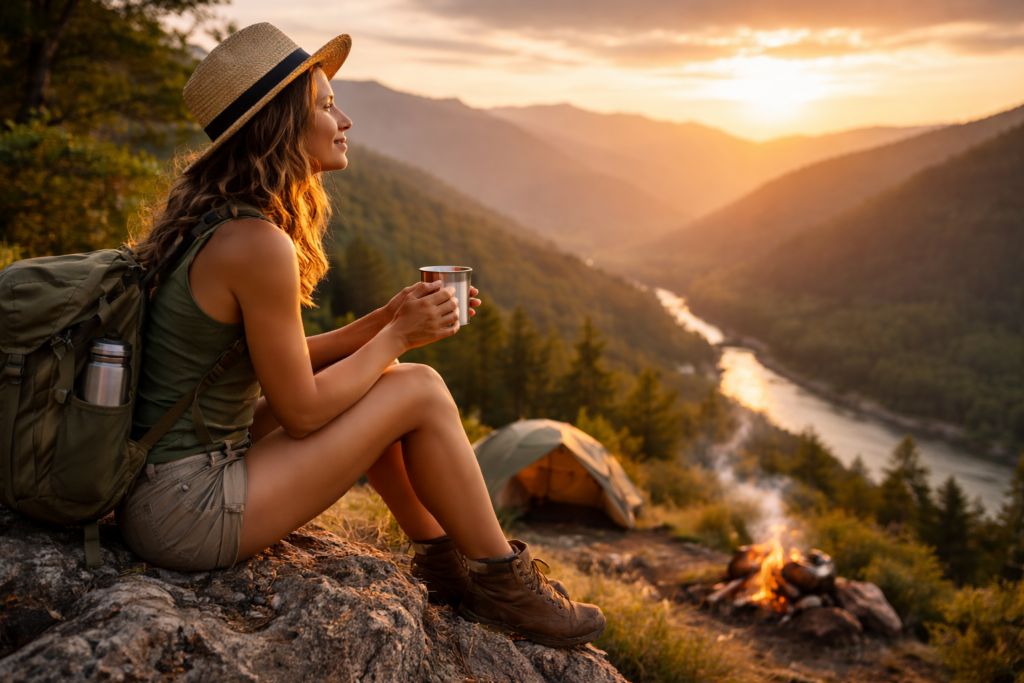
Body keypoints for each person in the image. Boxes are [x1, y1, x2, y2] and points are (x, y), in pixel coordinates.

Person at [119, 23, 605, 648]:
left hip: (167, 480)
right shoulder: (257, 244)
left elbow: (281, 364)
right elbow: (300, 411)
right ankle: (503, 585)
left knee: (385, 382)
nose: (343, 118)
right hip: (187, 509)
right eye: (324, 105)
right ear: (280, 125)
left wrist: (384, 320)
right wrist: (398, 338)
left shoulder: (216, 221)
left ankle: (442, 563)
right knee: (418, 389)